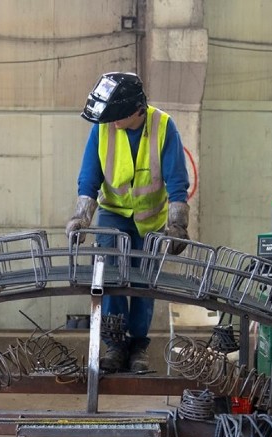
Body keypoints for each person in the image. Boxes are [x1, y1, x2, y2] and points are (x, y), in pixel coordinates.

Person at [65, 71, 190, 373]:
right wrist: (82, 218)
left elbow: (176, 180)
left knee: (144, 282)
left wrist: (177, 225)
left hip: (150, 219)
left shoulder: (163, 127)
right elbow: (90, 175)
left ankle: (138, 347)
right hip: (113, 214)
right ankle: (115, 345)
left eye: (117, 116)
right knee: (111, 278)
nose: (113, 122)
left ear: (136, 110)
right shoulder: (104, 128)